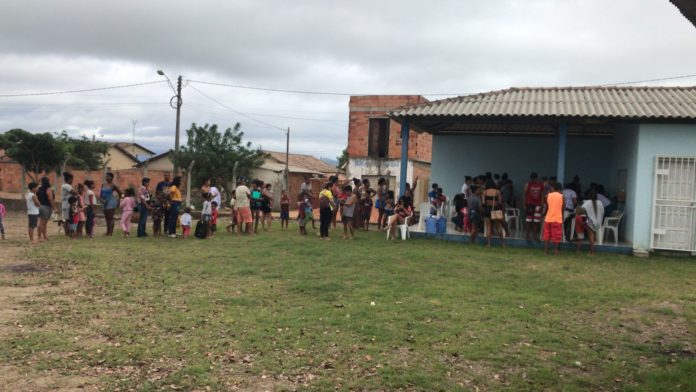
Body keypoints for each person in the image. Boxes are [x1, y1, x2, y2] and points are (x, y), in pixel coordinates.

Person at [577, 191, 605, 255]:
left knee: (591, 236)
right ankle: (591, 251)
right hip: (598, 223)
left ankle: (592, 252)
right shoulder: (600, 202)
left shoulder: (587, 203)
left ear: (589, 196)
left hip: (590, 222)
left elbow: (579, 211)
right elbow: (603, 212)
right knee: (593, 236)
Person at [482, 180, 506, 247]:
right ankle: (503, 243)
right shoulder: (497, 191)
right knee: (498, 227)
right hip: (495, 210)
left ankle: (489, 244)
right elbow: (500, 202)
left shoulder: (485, 192)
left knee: (488, 227)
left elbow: (483, 203)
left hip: (487, 210)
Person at [543, 182, 564, 255]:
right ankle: (555, 251)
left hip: (548, 218)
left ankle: (546, 252)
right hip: (557, 219)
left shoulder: (548, 195)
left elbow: (547, 206)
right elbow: (563, 208)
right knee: (556, 237)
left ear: (553, 188)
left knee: (547, 236)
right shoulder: (562, 196)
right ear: (559, 189)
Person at [523, 172, 544, 241]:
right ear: (531, 178)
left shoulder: (541, 184)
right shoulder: (528, 184)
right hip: (529, 204)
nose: (533, 180)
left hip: (537, 204)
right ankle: (527, 235)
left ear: (536, 178)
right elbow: (525, 194)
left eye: (534, 179)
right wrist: (524, 204)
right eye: (532, 179)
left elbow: (542, 195)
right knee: (528, 220)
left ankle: (535, 236)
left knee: (536, 221)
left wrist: (542, 204)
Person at [100, 172, 122, 236]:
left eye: (108, 176)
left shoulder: (113, 186)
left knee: (110, 217)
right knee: (107, 218)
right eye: (106, 176)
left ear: (112, 178)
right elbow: (101, 195)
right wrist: (101, 200)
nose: (106, 177)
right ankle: (108, 232)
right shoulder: (103, 185)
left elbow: (121, 193)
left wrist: (119, 201)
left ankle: (110, 233)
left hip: (111, 202)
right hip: (104, 202)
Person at [36, 176, 56, 241]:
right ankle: (39, 237)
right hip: (46, 207)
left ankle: (44, 236)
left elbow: (37, 196)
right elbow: (50, 199)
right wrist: (54, 208)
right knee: (42, 223)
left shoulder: (39, 189)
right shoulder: (48, 189)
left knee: (44, 223)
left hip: (40, 206)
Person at [61, 172, 77, 236]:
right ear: (69, 179)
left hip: (67, 203)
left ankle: (68, 232)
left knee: (68, 219)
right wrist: (75, 188)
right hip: (67, 204)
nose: (72, 181)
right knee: (67, 219)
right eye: (72, 179)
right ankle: (67, 233)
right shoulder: (67, 186)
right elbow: (74, 193)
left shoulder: (65, 185)